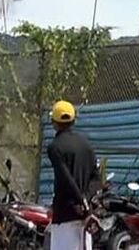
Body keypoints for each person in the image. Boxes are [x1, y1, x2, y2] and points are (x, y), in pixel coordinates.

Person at [47, 100, 99, 250]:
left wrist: (80, 202)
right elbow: (95, 179)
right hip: (84, 218)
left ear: (53, 122)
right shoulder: (87, 146)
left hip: (65, 215)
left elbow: (66, 178)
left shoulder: (54, 147)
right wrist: (85, 202)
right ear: (73, 120)